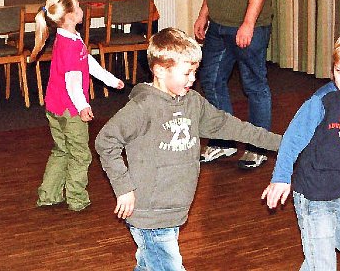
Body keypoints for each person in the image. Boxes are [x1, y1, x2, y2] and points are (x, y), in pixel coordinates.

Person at [95, 27, 282, 270]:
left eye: (195, 71)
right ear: (160, 70)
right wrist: (124, 188)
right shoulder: (142, 107)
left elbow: (232, 127)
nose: (193, 79)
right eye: (186, 73)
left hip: (175, 208)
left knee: (150, 264)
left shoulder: (193, 103)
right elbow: (106, 141)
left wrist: (283, 144)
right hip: (149, 212)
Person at [262, 29, 340, 271]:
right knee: (322, 265)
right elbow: (292, 139)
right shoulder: (322, 101)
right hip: (313, 196)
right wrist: (281, 177)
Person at [194, 0, 275, 169]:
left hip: (248, 28)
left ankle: (258, 146)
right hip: (218, 27)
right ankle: (223, 141)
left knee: (254, 85)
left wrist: (248, 23)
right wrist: (203, 15)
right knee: (210, 79)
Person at [30, 0, 124, 211]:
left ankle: (49, 195)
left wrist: (111, 80)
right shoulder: (70, 45)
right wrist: (82, 106)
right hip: (70, 111)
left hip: (54, 106)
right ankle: (77, 199)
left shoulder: (67, 38)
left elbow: (87, 62)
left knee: (62, 149)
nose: (82, 9)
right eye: (79, 6)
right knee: (80, 154)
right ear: (70, 16)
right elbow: (73, 81)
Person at [110, 0, 159, 82]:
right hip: (138, 17)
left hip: (149, 17)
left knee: (151, 46)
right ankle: (146, 72)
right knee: (138, 44)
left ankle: (154, 72)